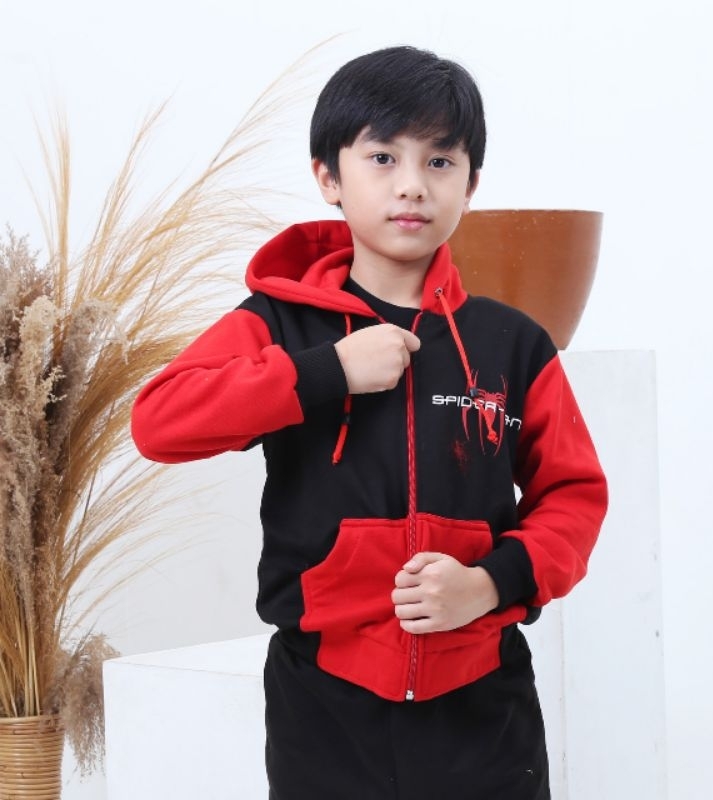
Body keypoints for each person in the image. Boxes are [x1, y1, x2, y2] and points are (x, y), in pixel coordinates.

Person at [131, 45, 608, 800]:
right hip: (322, 704)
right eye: (382, 158)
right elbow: (160, 422)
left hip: (483, 705)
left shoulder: (511, 343)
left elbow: (575, 496)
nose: (412, 185)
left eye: (440, 162)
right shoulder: (280, 324)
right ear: (329, 176)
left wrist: (490, 584)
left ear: (470, 185)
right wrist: (326, 372)